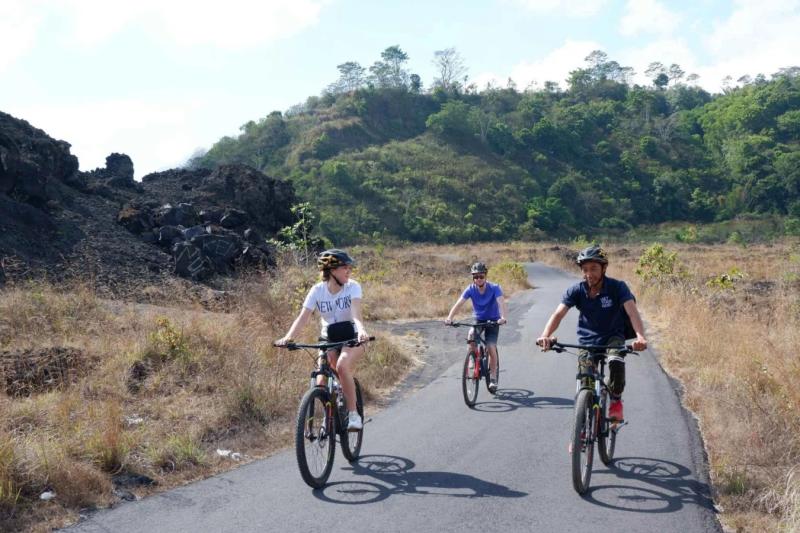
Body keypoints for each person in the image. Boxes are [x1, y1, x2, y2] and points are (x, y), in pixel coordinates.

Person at [536, 245, 647, 424]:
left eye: (594, 268)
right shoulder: (577, 290)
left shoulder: (618, 288)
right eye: (585, 269)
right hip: (587, 341)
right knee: (585, 381)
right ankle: (580, 431)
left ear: (604, 268)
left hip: (613, 337)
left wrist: (640, 337)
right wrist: (545, 335)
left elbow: (632, 312)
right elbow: (558, 314)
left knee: (616, 361)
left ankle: (616, 400)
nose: (589, 274)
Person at [276, 249, 370, 430]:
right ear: (332, 270)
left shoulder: (353, 286)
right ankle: (329, 417)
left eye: (349, 268)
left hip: (353, 336)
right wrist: (288, 338)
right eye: (345, 268)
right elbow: (303, 317)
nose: (348, 271)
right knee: (321, 380)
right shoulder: (317, 291)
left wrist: (361, 331)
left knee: (342, 366)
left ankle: (353, 415)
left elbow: (356, 314)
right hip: (328, 338)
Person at [445, 262, 508, 393]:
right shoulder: (470, 289)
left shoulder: (495, 288)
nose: (478, 279)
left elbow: (501, 302)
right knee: (471, 334)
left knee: (491, 346)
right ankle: (473, 360)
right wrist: (450, 318)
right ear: (473, 278)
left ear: (485, 276)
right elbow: (459, 303)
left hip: (493, 320)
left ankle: (493, 377)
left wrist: (502, 317)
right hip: (478, 319)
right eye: (475, 277)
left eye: (481, 276)